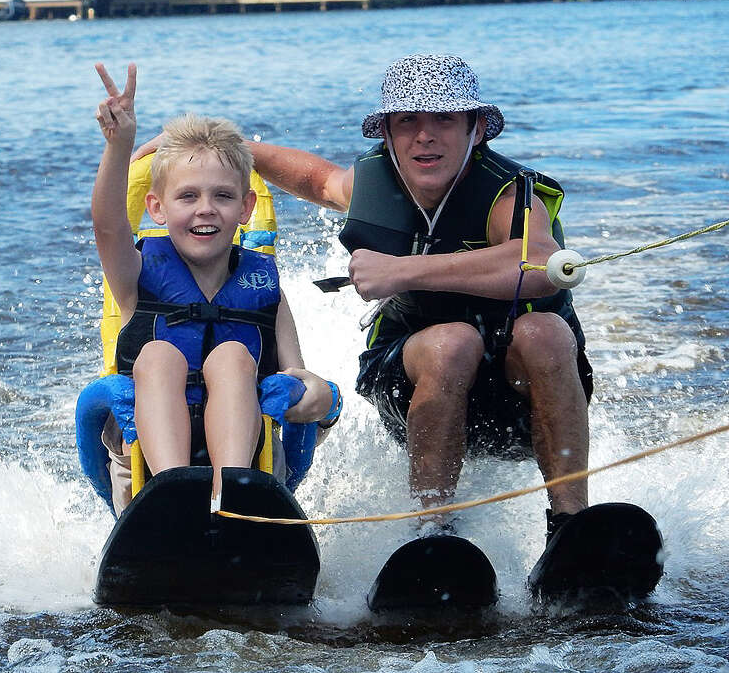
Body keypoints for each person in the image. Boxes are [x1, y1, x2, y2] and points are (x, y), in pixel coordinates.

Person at [240, 54, 593, 540]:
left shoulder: (510, 195)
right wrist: (228, 146)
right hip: (410, 389)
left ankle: (571, 526)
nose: (425, 135)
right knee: (452, 343)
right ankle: (432, 534)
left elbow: (538, 265)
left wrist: (401, 270)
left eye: (444, 118)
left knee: (544, 330)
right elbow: (315, 179)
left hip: (521, 401)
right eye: (408, 121)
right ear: (387, 133)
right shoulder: (374, 182)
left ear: (476, 130)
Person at [92, 62, 339, 511]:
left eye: (222, 196)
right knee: (159, 353)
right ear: (157, 208)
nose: (206, 209)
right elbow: (108, 228)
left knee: (231, 356)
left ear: (246, 208)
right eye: (188, 196)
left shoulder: (266, 292)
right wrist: (120, 144)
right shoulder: (136, 274)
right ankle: (171, 498)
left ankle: (232, 498)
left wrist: (318, 397)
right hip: (145, 463)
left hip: (253, 464)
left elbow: (300, 379)